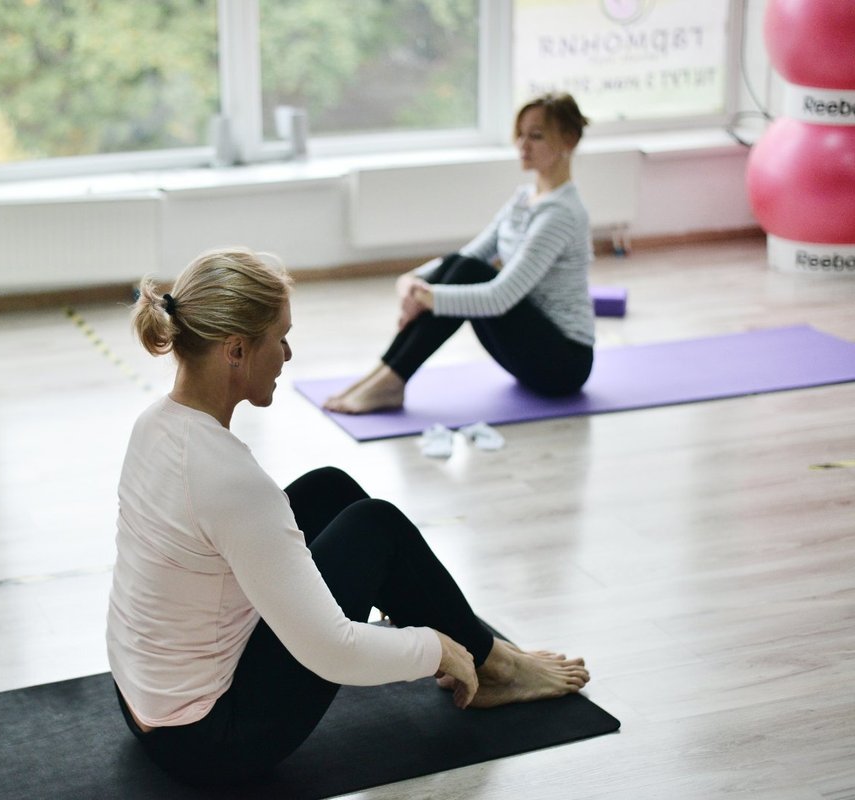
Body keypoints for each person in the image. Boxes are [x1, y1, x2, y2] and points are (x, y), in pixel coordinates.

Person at [106, 247, 590, 786]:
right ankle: (492, 665)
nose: (288, 354)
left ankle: (485, 653)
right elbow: (333, 650)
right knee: (376, 527)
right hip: (209, 740)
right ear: (236, 350)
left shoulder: (154, 425)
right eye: (280, 338)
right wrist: (433, 650)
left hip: (139, 703)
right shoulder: (229, 480)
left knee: (329, 490)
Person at [324, 93, 595, 415]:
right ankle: (384, 373)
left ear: (569, 140)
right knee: (463, 265)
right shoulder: (524, 199)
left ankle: (391, 380)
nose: (523, 145)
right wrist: (413, 280)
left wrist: (427, 298)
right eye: (520, 134)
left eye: (536, 136)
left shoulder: (561, 213)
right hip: (530, 346)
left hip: (563, 364)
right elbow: (466, 256)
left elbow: (500, 298)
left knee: (469, 273)